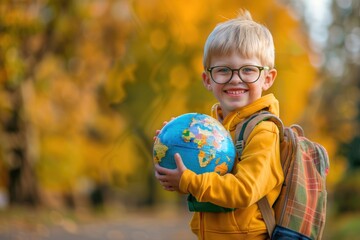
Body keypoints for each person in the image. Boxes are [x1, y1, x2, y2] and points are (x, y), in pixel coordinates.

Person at [154, 9, 284, 240]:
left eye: (248, 70)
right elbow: (208, 182)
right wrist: (175, 151)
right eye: (223, 70)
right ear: (208, 79)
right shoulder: (212, 129)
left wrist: (189, 180)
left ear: (267, 78)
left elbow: (245, 190)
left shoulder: (264, 130)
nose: (236, 78)